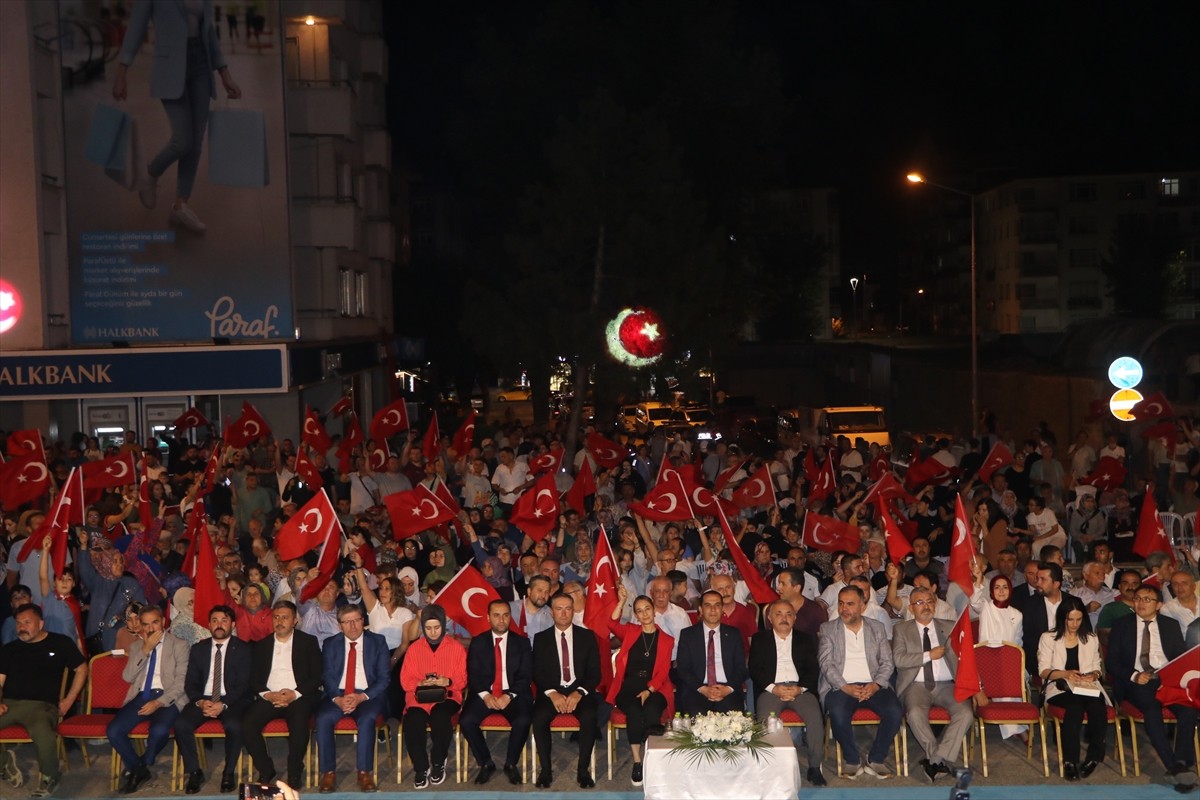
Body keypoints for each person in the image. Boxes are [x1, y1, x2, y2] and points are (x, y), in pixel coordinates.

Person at [113, 0, 243, 232]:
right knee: (182, 140)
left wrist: (225, 74)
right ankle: (150, 173)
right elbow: (136, 27)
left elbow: (209, 31)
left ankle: (180, 206)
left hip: (201, 64)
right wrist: (122, 72)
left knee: (195, 142)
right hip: (170, 66)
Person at [1105, 585, 1198, 793]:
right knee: (1152, 710)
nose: (1141, 603)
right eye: (1137, 598)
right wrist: (1135, 675)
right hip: (1137, 681)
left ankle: (1183, 762)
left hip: (1167, 680)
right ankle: (1172, 766)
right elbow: (1112, 662)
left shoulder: (1170, 625)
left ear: (1158, 604)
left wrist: (1172, 675)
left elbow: (1180, 657)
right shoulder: (1122, 625)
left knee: (1188, 711)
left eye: (1147, 599)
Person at [0, 604, 89, 797]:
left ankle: (50, 777)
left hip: (41, 706)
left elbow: (82, 669)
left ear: (40, 623)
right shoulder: (9, 649)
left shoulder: (60, 643)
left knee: (43, 733)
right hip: (9, 703)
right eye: (18, 623)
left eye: (27, 622)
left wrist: (69, 700)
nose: (21, 627)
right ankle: (5, 762)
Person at [818, 585, 903, 779]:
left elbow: (887, 662)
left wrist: (875, 685)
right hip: (840, 686)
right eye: (841, 604)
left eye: (850, 604)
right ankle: (852, 760)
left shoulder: (877, 627)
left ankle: (876, 759)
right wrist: (845, 687)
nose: (844, 609)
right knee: (838, 712)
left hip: (873, 683)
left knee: (895, 711)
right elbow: (826, 664)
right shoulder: (828, 629)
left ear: (863, 606)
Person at [892, 587, 975, 782]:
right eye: (919, 603)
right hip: (916, 684)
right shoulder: (901, 629)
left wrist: (976, 687)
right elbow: (899, 660)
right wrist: (929, 655)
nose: (925, 606)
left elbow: (966, 660)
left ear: (935, 605)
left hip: (947, 684)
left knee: (966, 713)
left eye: (929, 602)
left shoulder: (950, 626)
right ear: (911, 608)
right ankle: (938, 758)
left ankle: (935, 759)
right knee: (914, 714)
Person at [242, 602, 323, 790]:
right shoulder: (262, 645)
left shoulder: (308, 642)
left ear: (294, 621)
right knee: (247, 725)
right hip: (270, 696)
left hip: (298, 696)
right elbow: (253, 679)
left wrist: (294, 694)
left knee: (300, 723)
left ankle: (294, 770)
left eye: (285, 617)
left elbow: (317, 675)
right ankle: (266, 769)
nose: (280, 622)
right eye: (276, 617)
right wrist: (267, 694)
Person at [108, 605, 189, 793]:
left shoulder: (180, 644)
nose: (151, 628)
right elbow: (127, 677)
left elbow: (181, 683)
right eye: (146, 625)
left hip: (169, 698)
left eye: (155, 622)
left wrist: (158, 703)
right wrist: (145, 650)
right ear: (142, 627)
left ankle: (141, 765)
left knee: (160, 730)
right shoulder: (137, 646)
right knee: (113, 730)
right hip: (141, 696)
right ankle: (140, 770)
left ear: (163, 622)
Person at [175, 605, 251, 794]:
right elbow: (190, 683)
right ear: (208, 624)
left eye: (224, 620)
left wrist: (223, 704)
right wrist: (200, 701)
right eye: (215, 620)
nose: (219, 625)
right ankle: (194, 771)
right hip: (204, 698)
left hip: (231, 699)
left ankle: (228, 772)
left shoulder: (243, 649)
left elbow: (243, 685)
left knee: (234, 726)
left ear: (232, 624)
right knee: (181, 724)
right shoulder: (199, 649)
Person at [749, 600, 826, 787]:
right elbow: (754, 669)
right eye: (779, 614)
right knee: (766, 719)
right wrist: (773, 688)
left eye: (788, 614)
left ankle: (815, 767)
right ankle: (771, 767)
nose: (784, 618)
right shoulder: (760, 639)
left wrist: (799, 688)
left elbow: (812, 669)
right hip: (771, 689)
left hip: (799, 689)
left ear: (795, 618)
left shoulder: (805, 639)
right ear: (770, 618)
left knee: (815, 716)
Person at [315, 605, 390, 793]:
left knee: (366, 719)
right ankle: (328, 773)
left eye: (356, 620)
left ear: (363, 621)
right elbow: (327, 676)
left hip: (367, 695)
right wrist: (337, 698)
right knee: (323, 718)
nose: (353, 626)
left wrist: (361, 697)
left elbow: (384, 678)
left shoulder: (378, 642)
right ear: (340, 625)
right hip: (339, 694)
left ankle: (364, 773)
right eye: (347, 622)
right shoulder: (331, 643)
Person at [531, 593, 601, 789]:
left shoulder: (587, 637)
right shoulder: (541, 639)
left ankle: (583, 771)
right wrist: (553, 694)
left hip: (579, 691)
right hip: (551, 691)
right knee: (539, 718)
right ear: (551, 612)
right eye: (559, 609)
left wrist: (579, 693)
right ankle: (545, 771)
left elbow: (595, 673)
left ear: (573, 611)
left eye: (567, 608)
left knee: (589, 716)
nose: (563, 613)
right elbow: (537, 672)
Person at [608, 586, 675, 787]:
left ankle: (653, 760)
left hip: (656, 686)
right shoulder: (630, 631)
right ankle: (638, 762)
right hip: (628, 686)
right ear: (635, 615)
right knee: (635, 711)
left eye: (647, 609)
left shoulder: (667, 640)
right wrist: (621, 601)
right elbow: (610, 622)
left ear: (654, 611)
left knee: (653, 709)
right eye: (639, 610)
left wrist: (649, 690)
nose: (644, 613)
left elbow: (663, 673)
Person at [460, 600, 532, 786]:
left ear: (510, 617)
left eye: (506, 615)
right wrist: (486, 696)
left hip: (513, 694)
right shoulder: (479, 642)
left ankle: (510, 764)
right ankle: (486, 763)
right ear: (488, 617)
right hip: (486, 693)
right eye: (496, 615)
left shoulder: (522, 643)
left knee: (523, 720)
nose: (501, 620)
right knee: (466, 721)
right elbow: (473, 675)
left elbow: (525, 675)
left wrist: (509, 696)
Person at [1037, 597, 1110, 781]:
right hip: (1060, 688)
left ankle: (1094, 756)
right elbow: (1044, 671)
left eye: (1078, 619)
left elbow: (1097, 667)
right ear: (1062, 618)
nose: (1074, 624)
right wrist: (1065, 674)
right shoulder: (1048, 638)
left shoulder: (1091, 638)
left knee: (1097, 706)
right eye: (1070, 619)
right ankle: (1070, 760)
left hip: (1086, 686)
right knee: (1075, 706)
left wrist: (1093, 675)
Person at [400, 605, 468, 789]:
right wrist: (420, 683)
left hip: (447, 696)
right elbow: (405, 680)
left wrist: (448, 680)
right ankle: (421, 767)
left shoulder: (456, 648)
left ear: (443, 625)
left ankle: (438, 762)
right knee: (412, 719)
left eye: (436, 627)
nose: (432, 632)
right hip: (418, 697)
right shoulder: (414, 649)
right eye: (428, 628)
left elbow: (462, 680)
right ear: (423, 627)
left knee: (440, 716)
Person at [675, 590, 748, 716]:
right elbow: (683, 668)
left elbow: (741, 668)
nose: (713, 609)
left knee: (733, 721)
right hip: (698, 689)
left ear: (722, 609)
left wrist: (727, 689)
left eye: (717, 605)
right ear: (700, 609)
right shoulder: (688, 635)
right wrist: (703, 689)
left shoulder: (733, 634)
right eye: (708, 605)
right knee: (696, 717)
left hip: (727, 689)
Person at [1022, 562, 1065, 678]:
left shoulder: (1072, 603)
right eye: (1037, 579)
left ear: (1056, 584)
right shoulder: (1030, 604)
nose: (1038, 583)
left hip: (1069, 662)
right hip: (1041, 662)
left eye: (1043, 579)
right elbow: (1028, 640)